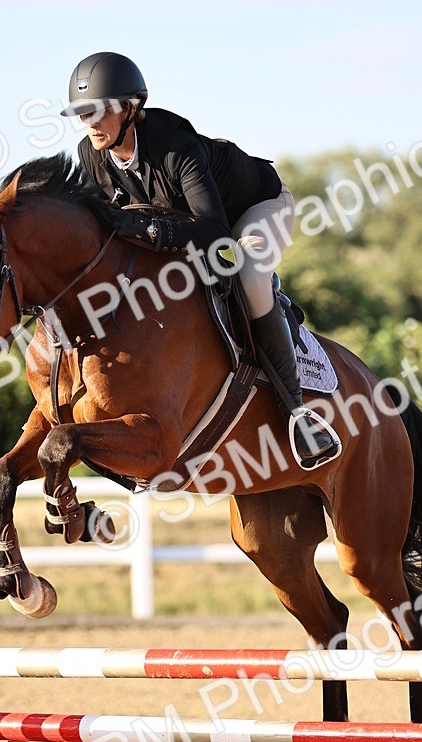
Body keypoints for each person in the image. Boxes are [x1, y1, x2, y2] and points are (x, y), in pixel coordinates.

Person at [60, 51, 340, 471]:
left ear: (131, 109)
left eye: (99, 112)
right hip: (189, 225)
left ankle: (297, 411)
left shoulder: (176, 147)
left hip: (254, 207)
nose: (91, 124)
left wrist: (149, 232)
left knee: (247, 272)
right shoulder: (91, 156)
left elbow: (213, 231)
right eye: (83, 114)